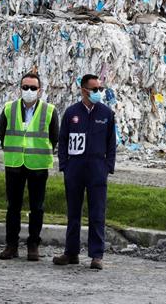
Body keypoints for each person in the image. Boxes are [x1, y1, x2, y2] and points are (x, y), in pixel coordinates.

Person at [53, 74, 116, 270]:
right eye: (94, 89)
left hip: (97, 169)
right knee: (73, 212)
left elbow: (111, 143)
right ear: (83, 90)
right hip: (75, 169)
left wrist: (107, 167)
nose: (98, 92)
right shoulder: (72, 112)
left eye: (100, 89)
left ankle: (96, 255)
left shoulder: (106, 113)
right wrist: (64, 165)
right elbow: (62, 140)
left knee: (97, 212)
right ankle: (71, 252)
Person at [0, 72, 59, 261]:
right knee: (13, 206)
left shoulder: (49, 110)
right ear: (20, 88)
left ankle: (33, 245)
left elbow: (54, 138)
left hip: (38, 165)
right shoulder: (9, 109)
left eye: (33, 88)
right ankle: (11, 245)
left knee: (37, 207)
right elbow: (2, 134)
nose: (29, 91)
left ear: (39, 90)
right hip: (15, 163)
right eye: (25, 87)